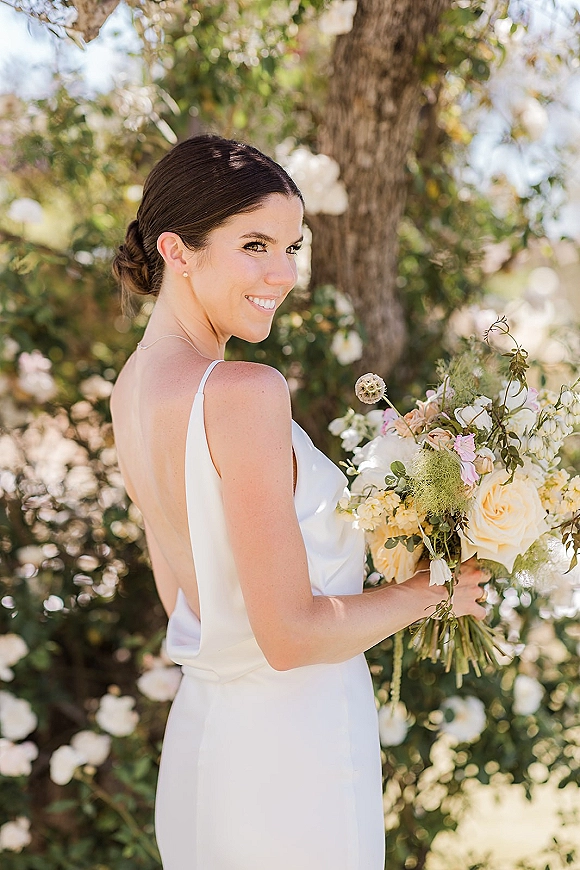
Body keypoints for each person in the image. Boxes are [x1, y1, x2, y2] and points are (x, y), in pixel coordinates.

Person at [109, 133, 488, 870]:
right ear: (177, 250)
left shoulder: (132, 390)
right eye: (256, 245)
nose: (283, 274)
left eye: (293, 246)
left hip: (208, 743)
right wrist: (437, 590)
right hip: (290, 761)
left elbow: (193, 592)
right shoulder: (244, 391)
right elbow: (289, 637)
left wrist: (388, 478)